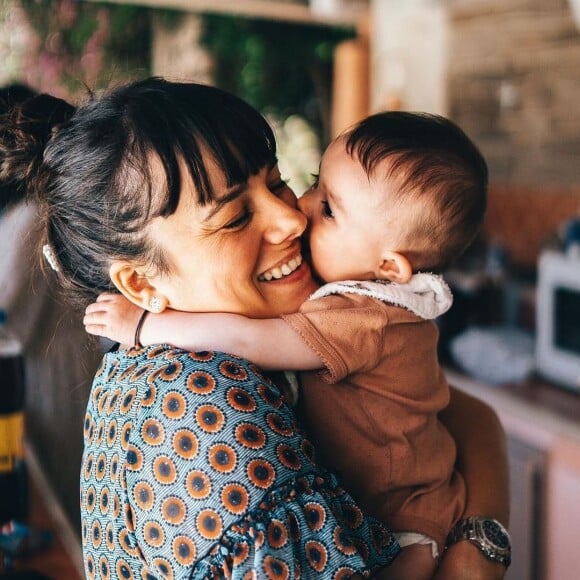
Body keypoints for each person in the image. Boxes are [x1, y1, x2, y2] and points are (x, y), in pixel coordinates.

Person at [0, 77, 509, 579]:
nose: (294, 219)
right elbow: (474, 424)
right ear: (139, 284)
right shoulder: (204, 411)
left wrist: (478, 546)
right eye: (237, 216)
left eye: (277, 181)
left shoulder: (262, 341)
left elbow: (468, 414)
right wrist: (476, 555)